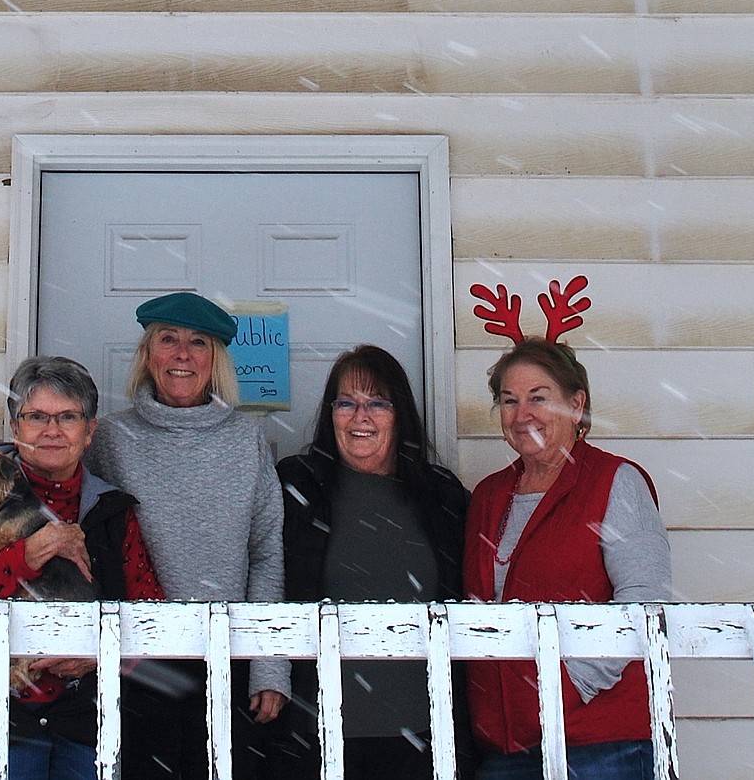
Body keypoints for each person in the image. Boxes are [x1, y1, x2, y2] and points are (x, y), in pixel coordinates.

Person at [86, 292, 291, 780]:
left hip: (226, 656)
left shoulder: (246, 441)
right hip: (136, 662)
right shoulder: (111, 440)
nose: (182, 353)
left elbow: (266, 556)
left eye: (198, 342)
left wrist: (268, 665)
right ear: (147, 354)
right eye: (168, 339)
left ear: (215, 359)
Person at [0, 354, 165, 780]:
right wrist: (29, 553)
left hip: (87, 722)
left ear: (90, 431)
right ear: (15, 427)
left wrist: (97, 654)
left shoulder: (111, 511)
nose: (52, 430)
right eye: (36, 416)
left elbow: (150, 611)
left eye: (68, 417)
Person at [463, 338, 672, 780]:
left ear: (577, 406)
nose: (523, 415)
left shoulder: (614, 481)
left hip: (598, 745)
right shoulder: (488, 496)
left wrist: (568, 687)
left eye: (539, 398)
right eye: (509, 400)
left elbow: (644, 602)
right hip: (505, 748)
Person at [271, 345, 471, 780]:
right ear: (330, 414)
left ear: (400, 415)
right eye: (347, 402)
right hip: (318, 732)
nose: (361, 416)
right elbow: (262, 574)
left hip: (423, 730)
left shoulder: (441, 495)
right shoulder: (296, 485)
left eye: (378, 402)